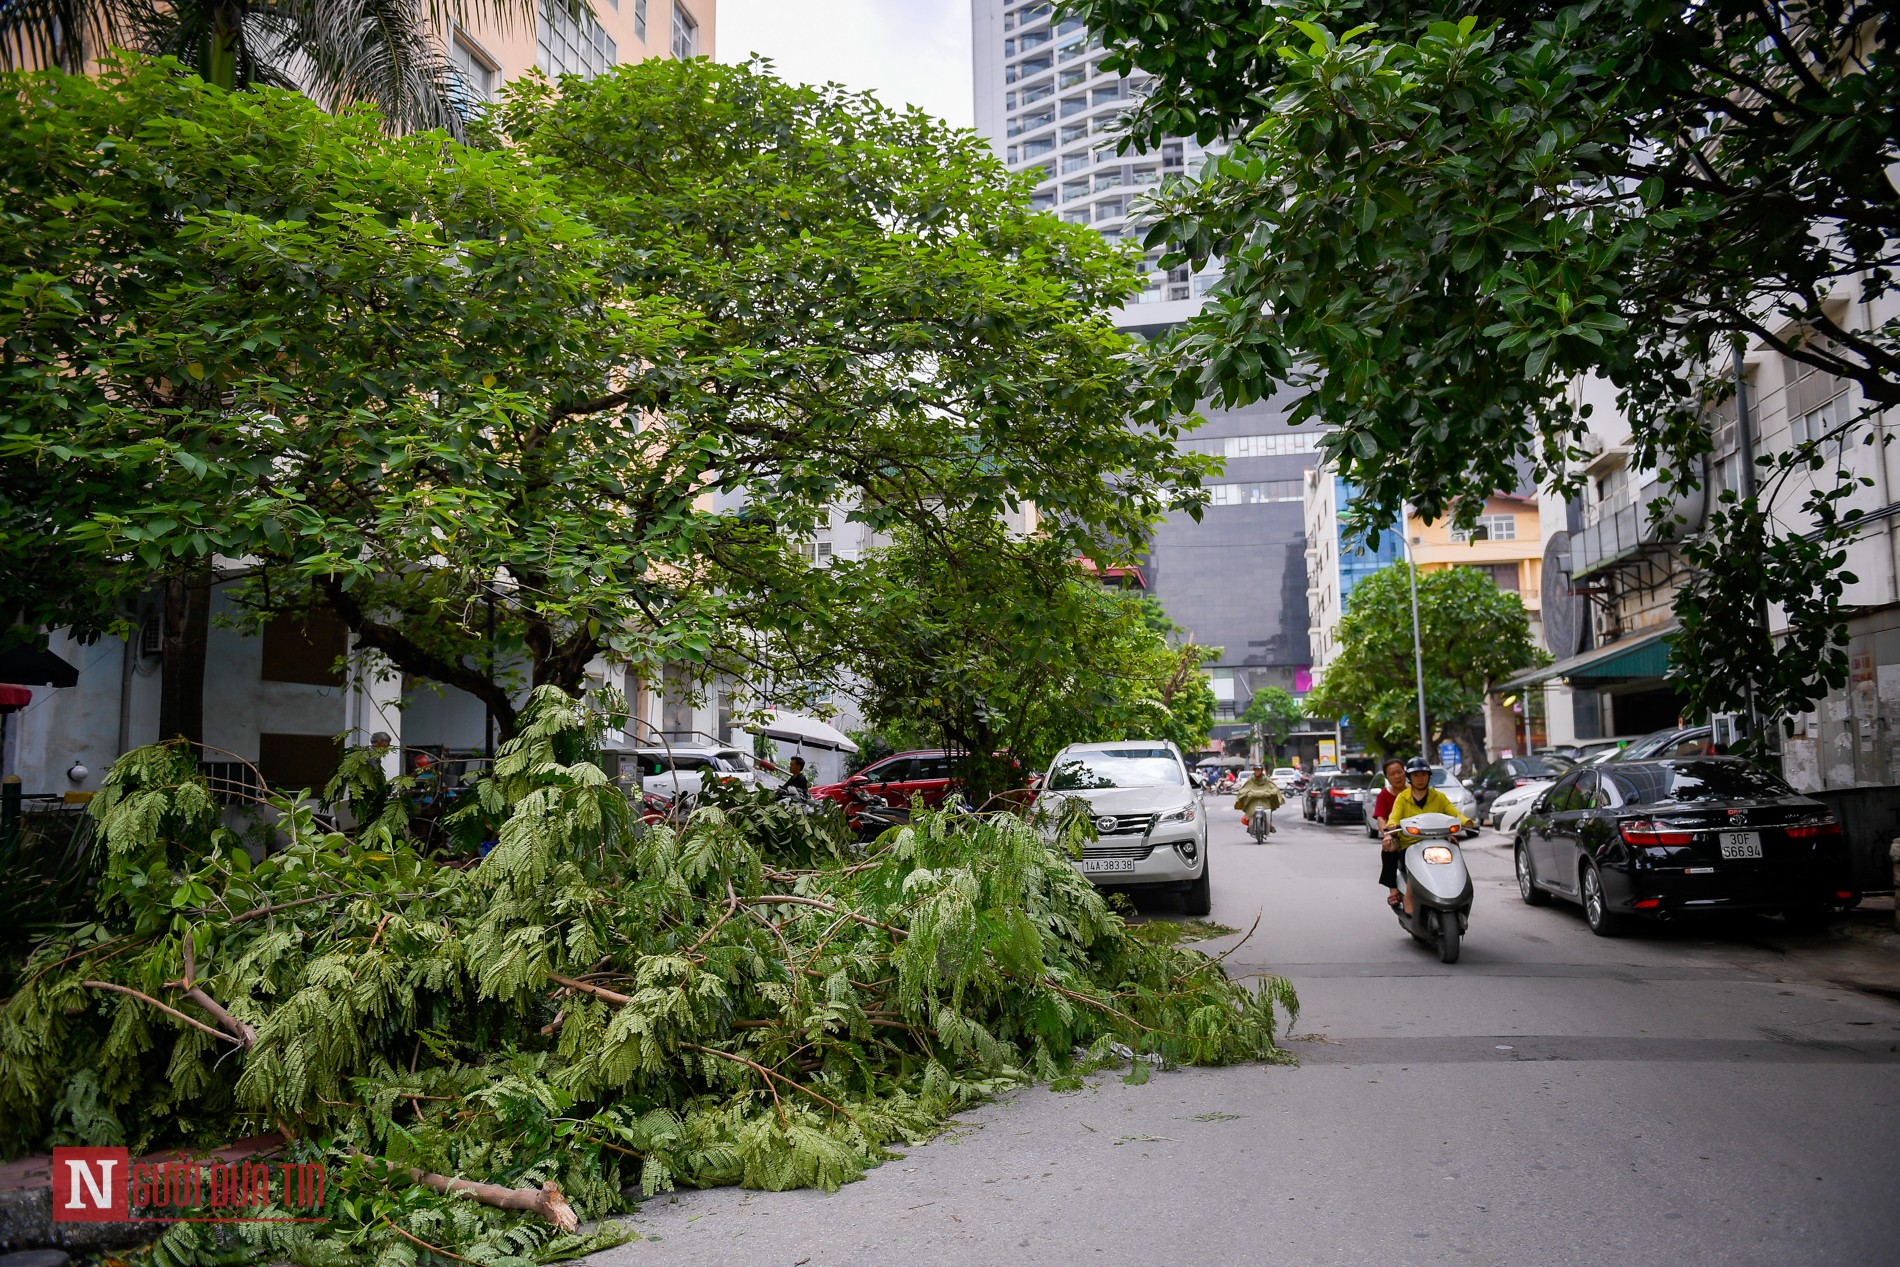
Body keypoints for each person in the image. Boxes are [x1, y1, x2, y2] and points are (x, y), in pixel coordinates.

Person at [1381, 757, 1471, 913]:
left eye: (1423, 774)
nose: (1420, 779)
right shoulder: (1402, 798)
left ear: (1429, 776)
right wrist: (1392, 826)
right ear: (1410, 778)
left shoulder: (1439, 797)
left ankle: (1459, 887)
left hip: (1438, 841)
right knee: (1409, 862)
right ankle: (1406, 895)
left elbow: (1453, 813)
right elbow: (1394, 816)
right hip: (1410, 845)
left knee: (1455, 848)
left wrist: (1467, 822)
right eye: (1416, 775)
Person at [1233, 764, 1285, 834]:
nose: (1257, 772)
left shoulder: (1267, 779)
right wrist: (1248, 793)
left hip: (1265, 800)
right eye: (1255, 770)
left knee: (1268, 812)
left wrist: (1270, 792)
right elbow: (1243, 789)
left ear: (1261, 771)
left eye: (1258, 770)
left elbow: (1274, 788)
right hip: (1253, 801)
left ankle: (1270, 825)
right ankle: (1250, 824)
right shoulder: (1250, 779)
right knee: (1250, 812)